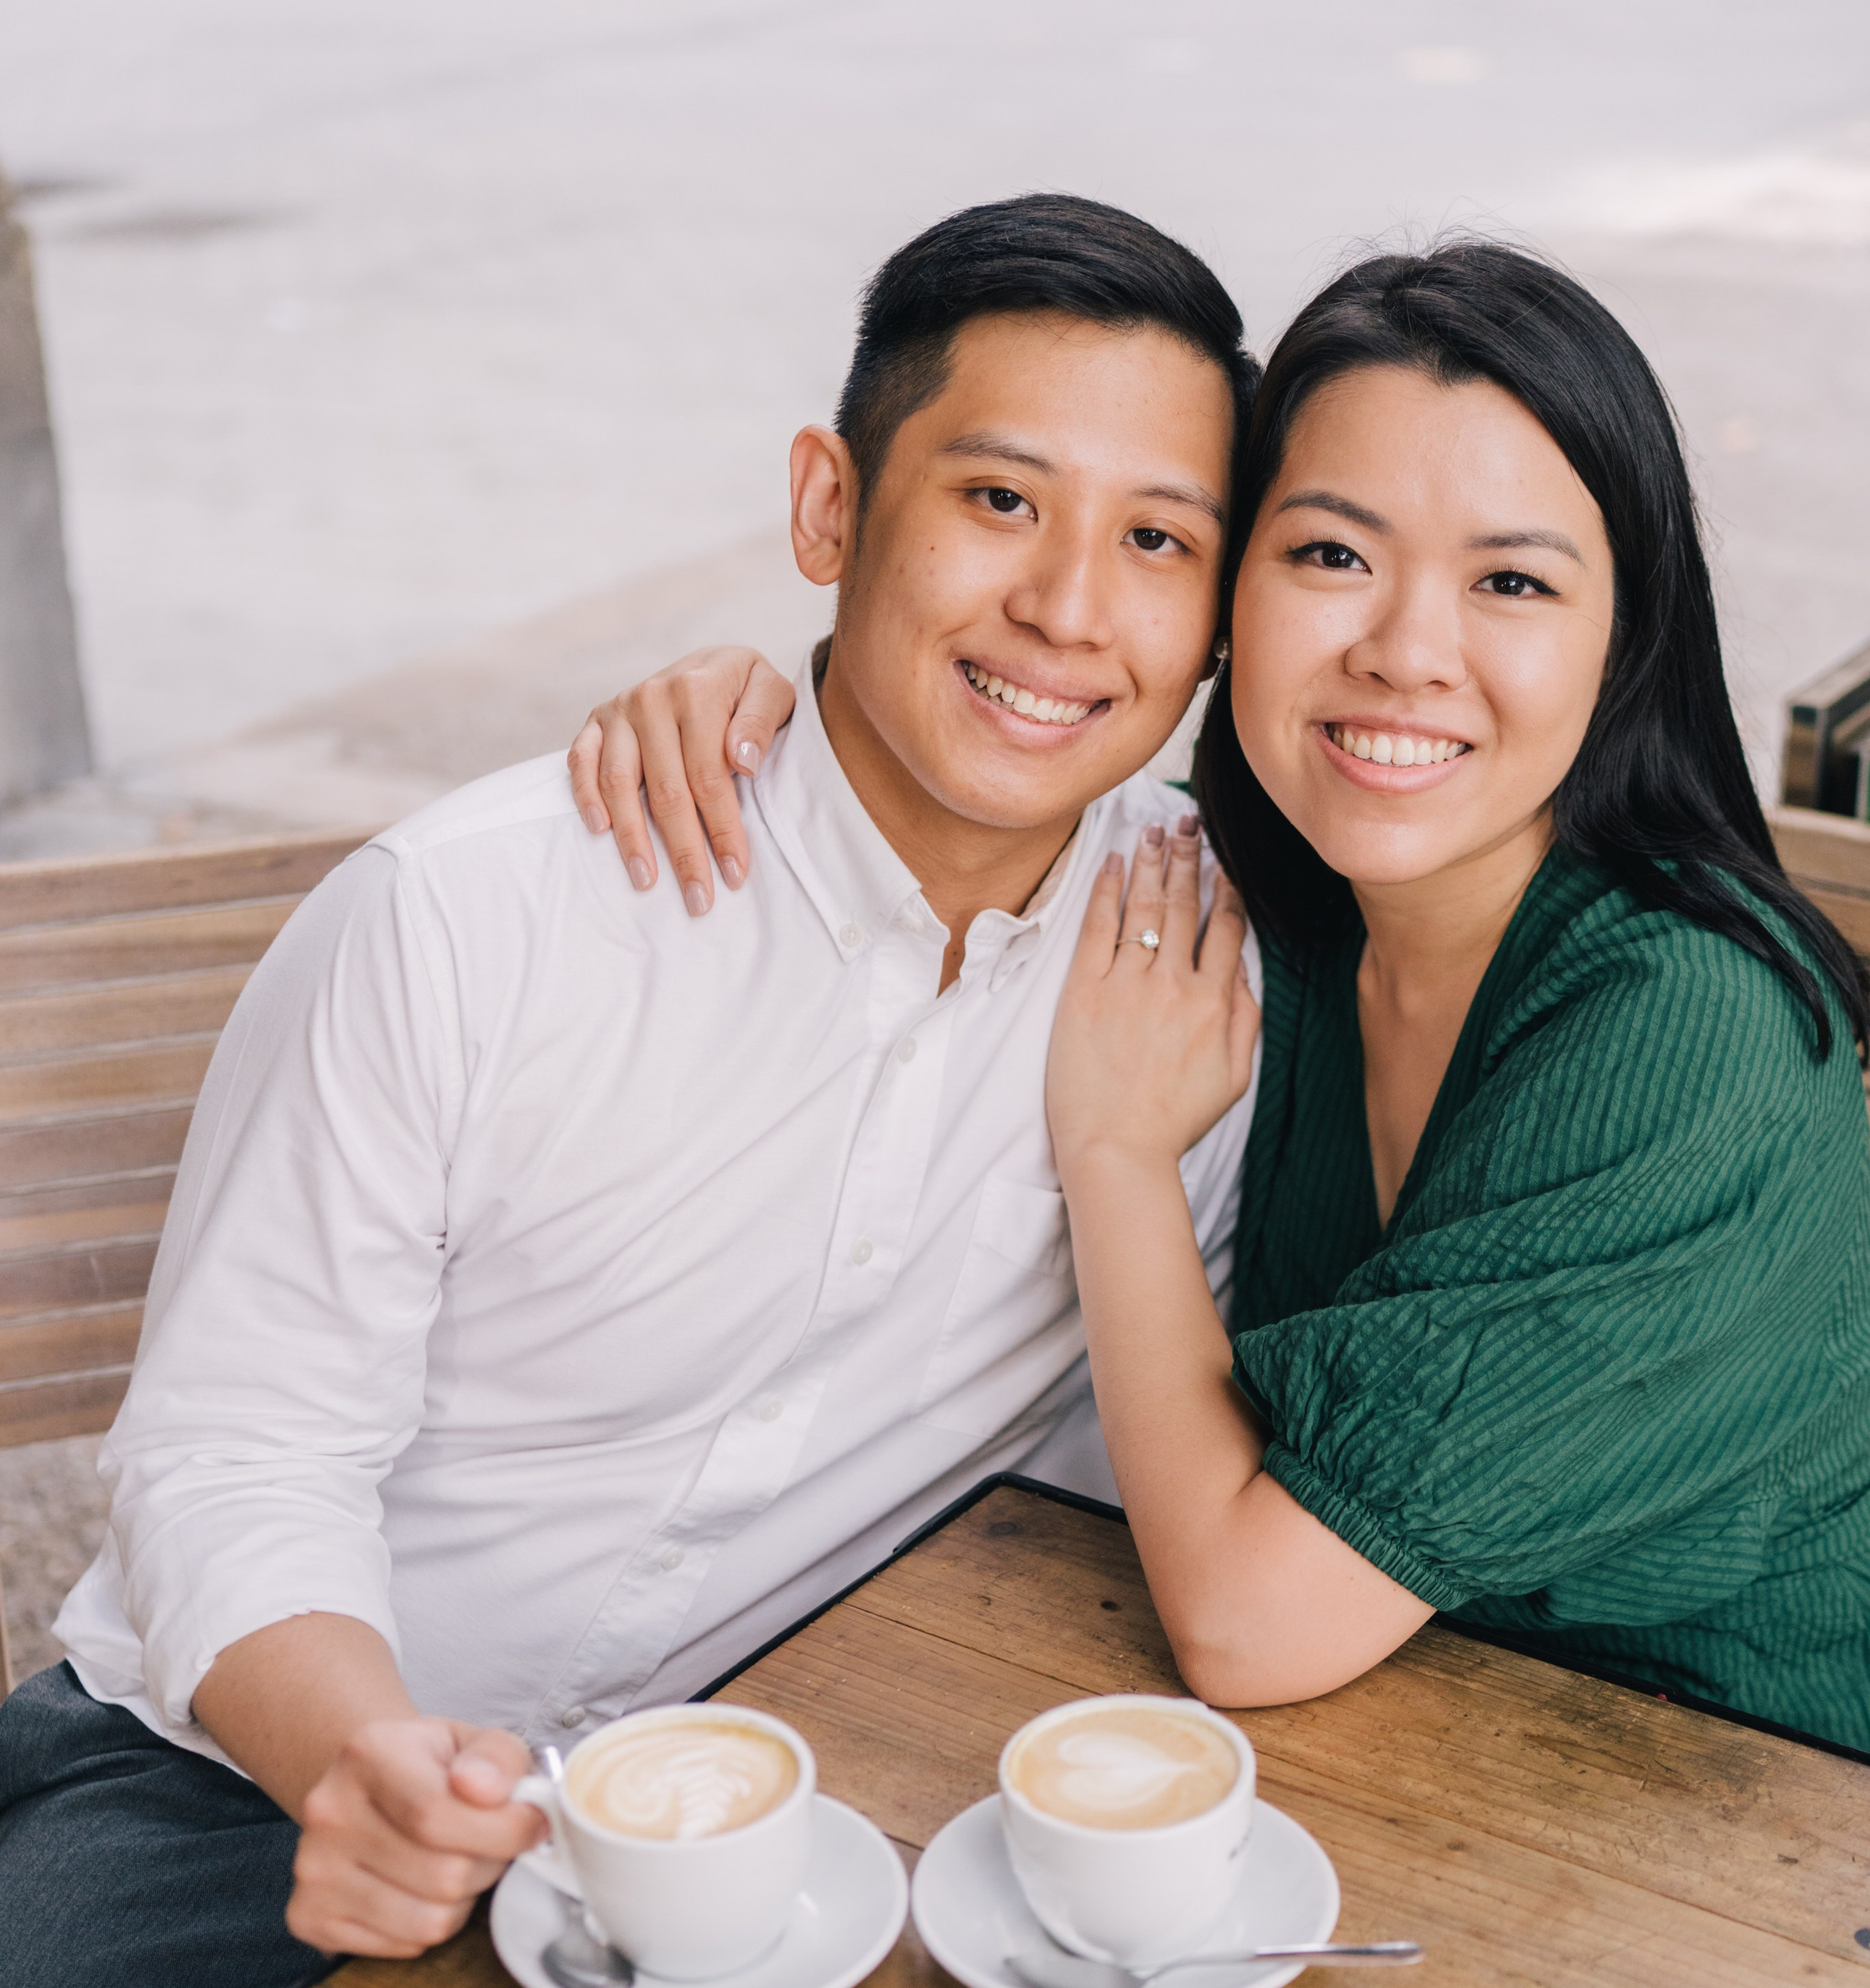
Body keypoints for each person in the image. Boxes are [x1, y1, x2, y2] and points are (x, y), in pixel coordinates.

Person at [0, 194, 1262, 1988]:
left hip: (806, 1830)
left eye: (1159, 542)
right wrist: (356, 1761)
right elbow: (241, 1449)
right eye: (1002, 499)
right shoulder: (479, 917)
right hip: (243, 1786)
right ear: (827, 507)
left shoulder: (1205, 963)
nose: (1069, 609)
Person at [600, 243, 1870, 1754]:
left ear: (1622, 643)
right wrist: (758, 713)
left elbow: (1247, 1626)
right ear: (1220, 600)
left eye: (1510, 582)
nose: (1403, 653)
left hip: (1747, 1830)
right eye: (1329, 555)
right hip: (1400, 1754)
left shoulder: (1679, 1034)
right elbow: (970, 745)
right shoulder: (1287, 903)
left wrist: (1122, 1158)